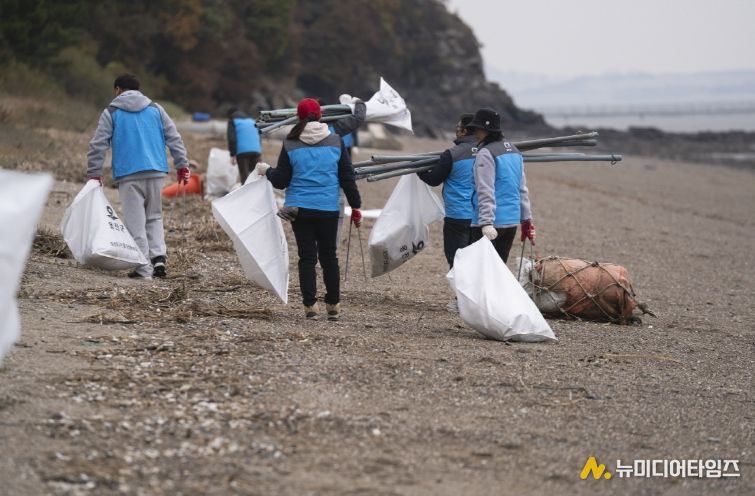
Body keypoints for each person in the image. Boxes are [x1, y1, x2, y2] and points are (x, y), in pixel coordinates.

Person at [256, 98, 362, 321]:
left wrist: (266, 170)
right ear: (320, 116)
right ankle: (333, 305)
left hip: (299, 209)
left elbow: (281, 180)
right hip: (328, 208)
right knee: (329, 256)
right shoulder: (336, 141)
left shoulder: (290, 142)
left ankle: (310, 306)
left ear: (298, 116)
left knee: (307, 257)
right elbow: (347, 177)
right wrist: (356, 206)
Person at [87, 73, 190, 280]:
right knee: (154, 216)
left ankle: (143, 269)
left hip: (129, 174)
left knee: (135, 221)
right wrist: (182, 165)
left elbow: (98, 145)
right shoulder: (156, 109)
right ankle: (158, 257)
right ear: (138, 89)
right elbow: (174, 138)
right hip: (156, 170)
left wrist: (94, 174)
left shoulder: (111, 112)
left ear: (118, 90)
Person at [466, 108, 536, 263]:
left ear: (485, 129)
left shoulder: (486, 153)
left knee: (481, 269)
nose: (474, 132)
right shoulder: (514, 151)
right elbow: (522, 189)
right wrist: (526, 220)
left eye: (476, 128)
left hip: (490, 224)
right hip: (511, 223)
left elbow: (485, 189)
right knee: (499, 268)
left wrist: (486, 222)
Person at [417, 113, 476, 269]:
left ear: (464, 131)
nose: (456, 130)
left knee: (457, 261)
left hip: (458, 215)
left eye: (458, 127)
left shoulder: (452, 154)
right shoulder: (487, 151)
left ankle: (460, 286)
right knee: (475, 261)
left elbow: (434, 179)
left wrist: (419, 169)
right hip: (481, 216)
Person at [227, 107, 262, 184]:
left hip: (242, 151)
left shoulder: (232, 121)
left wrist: (232, 154)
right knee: (256, 176)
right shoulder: (251, 120)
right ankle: (258, 191)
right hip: (256, 150)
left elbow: (232, 138)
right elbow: (259, 135)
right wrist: (259, 150)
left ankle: (246, 191)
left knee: (245, 177)